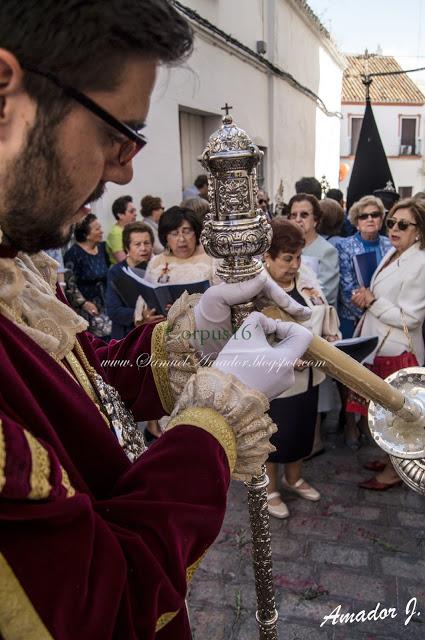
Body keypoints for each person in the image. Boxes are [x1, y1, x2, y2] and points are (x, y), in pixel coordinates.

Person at [0, 3, 314, 638]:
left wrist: (197, 327)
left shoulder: (16, 267)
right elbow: (103, 606)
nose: (125, 168)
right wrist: (214, 423)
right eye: (120, 132)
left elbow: (86, 389)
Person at [263, 219, 340, 518]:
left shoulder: (305, 276)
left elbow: (321, 310)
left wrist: (331, 335)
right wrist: (283, 357)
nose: (295, 264)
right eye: (287, 258)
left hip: (308, 373)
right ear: (266, 257)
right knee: (272, 435)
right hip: (274, 380)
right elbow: (247, 339)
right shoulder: (257, 289)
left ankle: (293, 478)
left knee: (302, 429)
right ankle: (269, 489)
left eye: (297, 256)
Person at [351, 197, 425, 489]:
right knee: (384, 413)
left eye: (403, 224)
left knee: (397, 419)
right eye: (391, 221)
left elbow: (412, 318)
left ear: (418, 230)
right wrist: (367, 297)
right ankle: (391, 459)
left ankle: (396, 471)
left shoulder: (419, 262)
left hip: (396, 349)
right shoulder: (396, 252)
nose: (394, 228)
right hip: (380, 344)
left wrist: (373, 302)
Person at [337, 196, 392, 340]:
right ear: (356, 222)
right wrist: (370, 307)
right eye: (363, 216)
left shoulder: (391, 246)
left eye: (375, 215)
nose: (370, 219)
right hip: (353, 319)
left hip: (385, 316)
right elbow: (346, 289)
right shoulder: (344, 246)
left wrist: (379, 309)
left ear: (381, 220)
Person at [106, 221, 164, 339]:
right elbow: (113, 310)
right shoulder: (116, 272)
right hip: (128, 335)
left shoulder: (160, 268)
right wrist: (140, 316)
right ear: (127, 248)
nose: (143, 248)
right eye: (137, 244)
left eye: (147, 243)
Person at [64, 213, 112, 338]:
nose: (102, 231)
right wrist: (84, 303)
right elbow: (70, 285)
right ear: (86, 234)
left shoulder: (102, 247)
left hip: (106, 301)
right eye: (97, 229)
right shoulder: (73, 254)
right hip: (88, 306)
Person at [288, 193, 339, 307]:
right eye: (293, 215)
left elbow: (327, 294)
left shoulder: (327, 251)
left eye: (304, 215)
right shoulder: (286, 247)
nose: (298, 219)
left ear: (315, 220)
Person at [145, 206, 215, 285]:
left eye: (187, 232)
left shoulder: (212, 260)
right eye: (174, 234)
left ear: (196, 233)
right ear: (165, 237)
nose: (181, 239)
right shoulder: (156, 262)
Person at [106, 195, 137, 264]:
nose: (135, 214)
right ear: (120, 215)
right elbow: (123, 261)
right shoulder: (115, 233)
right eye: (131, 212)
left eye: (135, 211)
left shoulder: (132, 229)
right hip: (122, 272)